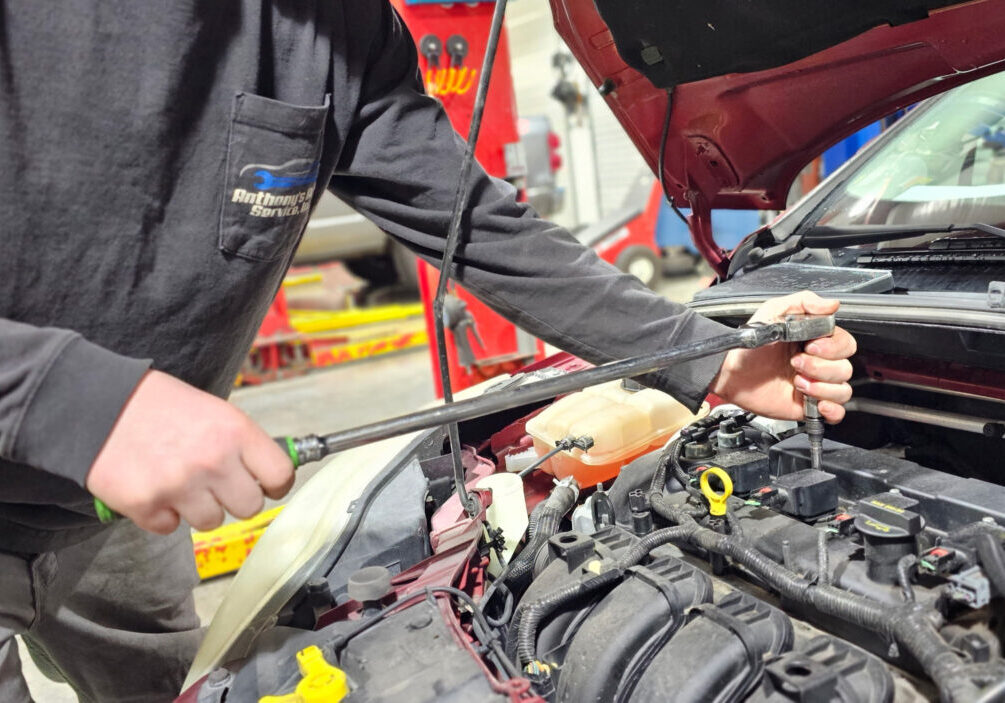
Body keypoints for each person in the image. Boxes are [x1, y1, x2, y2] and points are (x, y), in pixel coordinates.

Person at [0, 1, 856, 700]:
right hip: (71, 442)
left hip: (124, 516)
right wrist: (72, 401)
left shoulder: (335, 27)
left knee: (177, 682)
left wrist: (706, 358)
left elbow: (479, 228)